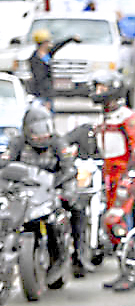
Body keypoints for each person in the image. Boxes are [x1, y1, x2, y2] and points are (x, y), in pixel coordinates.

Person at [3, 103, 85, 277]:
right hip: (25, 192)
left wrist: (64, 189)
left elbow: (69, 168)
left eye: (45, 130)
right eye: (36, 132)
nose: (41, 136)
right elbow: (4, 166)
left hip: (53, 188)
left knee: (77, 208)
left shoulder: (58, 142)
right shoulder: (17, 143)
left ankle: (79, 255)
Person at [91, 72, 135, 290]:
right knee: (110, 224)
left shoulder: (127, 117)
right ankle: (124, 269)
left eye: (102, 88)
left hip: (124, 176)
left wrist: (129, 177)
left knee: (119, 222)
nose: (97, 92)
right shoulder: (106, 117)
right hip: (108, 176)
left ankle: (132, 271)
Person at [28, 29, 80, 102]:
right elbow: (39, 78)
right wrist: (44, 94)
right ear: (44, 43)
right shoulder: (35, 59)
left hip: (49, 90)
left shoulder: (47, 54)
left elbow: (58, 45)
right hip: (41, 92)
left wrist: (71, 39)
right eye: (48, 42)